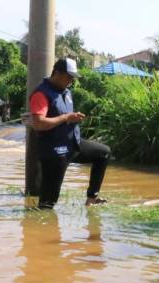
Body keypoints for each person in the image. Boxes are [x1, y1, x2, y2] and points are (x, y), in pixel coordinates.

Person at [28, 58, 111, 209]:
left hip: (72, 145)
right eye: (69, 77)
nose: (71, 81)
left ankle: (92, 199)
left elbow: (63, 116)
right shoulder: (41, 94)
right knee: (47, 204)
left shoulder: (66, 92)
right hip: (55, 152)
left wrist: (74, 118)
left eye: (73, 78)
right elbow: (39, 124)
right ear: (57, 73)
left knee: (103, 153)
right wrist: (66, 117)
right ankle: (38, 230)